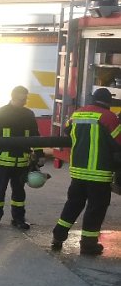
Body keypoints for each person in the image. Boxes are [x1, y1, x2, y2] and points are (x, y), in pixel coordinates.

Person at [51, 88, 121, 256]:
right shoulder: (109, 117)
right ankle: (88, 245)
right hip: (98, 173)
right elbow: (118, 143)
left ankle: (58, 237)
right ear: (108, 102)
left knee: (73, 204)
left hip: (78, 172)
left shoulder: (78, 114)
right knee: (95, 209)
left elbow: (68, 131)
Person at [0, 86, 42, 230]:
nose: (25, 100)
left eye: (26, 97)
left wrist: (39, 154)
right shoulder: (0, 113)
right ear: (15, 96)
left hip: (22, 161)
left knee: (19, 192)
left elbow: (35, 136)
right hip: (3, 161)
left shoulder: (28, 114)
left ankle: (18, 219)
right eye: (23, 97)